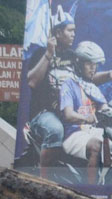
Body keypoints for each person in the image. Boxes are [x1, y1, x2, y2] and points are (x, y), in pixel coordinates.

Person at [23, 7, 77, 178]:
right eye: (70, 30)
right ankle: (44, 177)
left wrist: (109, 75)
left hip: (66, 111)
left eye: (74, 31)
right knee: (55, 130)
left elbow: (87, 79)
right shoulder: (40, 53)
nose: (73, 34)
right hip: (43, 113)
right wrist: (48, 54)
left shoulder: (72, 56)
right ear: (58, 33)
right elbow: (32, 82)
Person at [59, 41, 111, 184]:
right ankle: (92, 189)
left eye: (95, 64)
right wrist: (86, 118)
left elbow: (105, 108)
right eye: (89, 64)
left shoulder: (91, 87)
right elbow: (68, 115)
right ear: (78, 63)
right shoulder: (69, 85)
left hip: (91, 131)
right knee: (96, 146)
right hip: (73, 133)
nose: (93, 68)